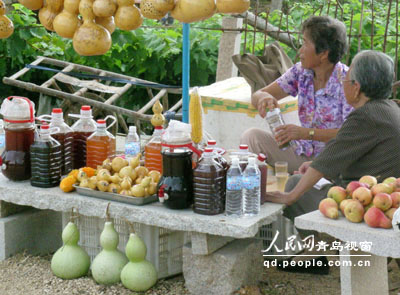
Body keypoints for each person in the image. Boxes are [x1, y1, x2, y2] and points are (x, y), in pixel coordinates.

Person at [266, 50, 398, 274]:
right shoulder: (390, 109)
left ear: (356, 88)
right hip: (382, 199)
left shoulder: (364, 117)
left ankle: (318, 253)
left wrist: (290, 196)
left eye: (346, 79)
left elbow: (324, 164)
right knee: (306, 178)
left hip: (365, 205)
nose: (343, 83)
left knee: (295, 184)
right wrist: (318, 167)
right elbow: (340, 154)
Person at [240, 16, 353, 173]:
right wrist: (263, 98)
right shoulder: (301, 72)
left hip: (333, 163)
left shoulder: (348, 83)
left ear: (323, 54)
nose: (300, 50)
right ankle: (250, 191)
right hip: (304, 154)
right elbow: (258, 95)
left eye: (305, 43)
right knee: (252, 137)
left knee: (298, 184)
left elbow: (351, 136)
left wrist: (306, 133)